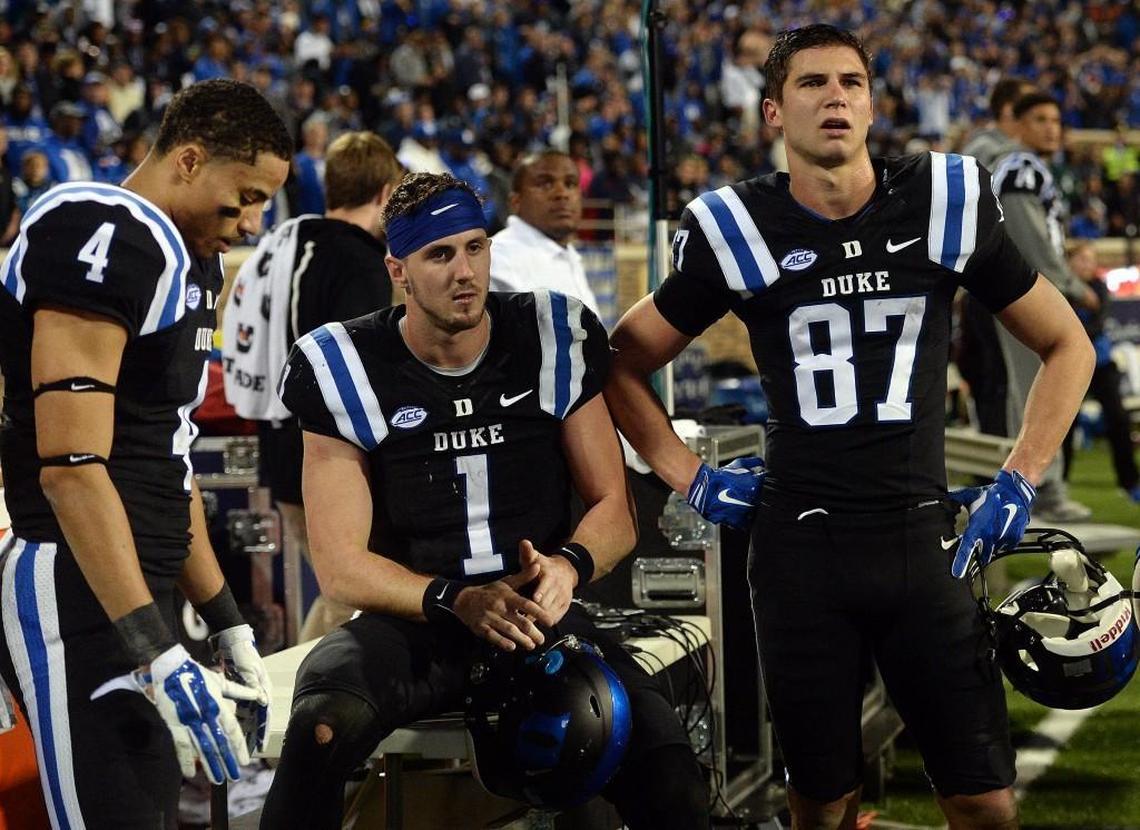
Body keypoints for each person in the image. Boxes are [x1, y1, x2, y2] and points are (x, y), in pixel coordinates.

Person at [603, 24, 1094, 830]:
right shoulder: (739, 227)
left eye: (851, 83)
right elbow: (621, 359)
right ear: (772, 109)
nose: (835, 96)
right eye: (811, 83)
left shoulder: (941, 202)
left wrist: (1022, 474)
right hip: (802, 555)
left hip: (924, 542)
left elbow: (1066, 341)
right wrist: (686, 475)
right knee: (821, 806)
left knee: (984, 802)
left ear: (871, 105)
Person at [258, 172, 708, 829]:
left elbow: (614, 506)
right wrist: (455, 598)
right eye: (440, 255)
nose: (464, 271)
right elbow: (339, 566)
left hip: (536, 614)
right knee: (322, 726)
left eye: (475, 248)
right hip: (417, 623)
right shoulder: (344, 363)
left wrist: (569, 567)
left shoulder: (550, 335)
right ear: (399, 269)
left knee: (664, 759)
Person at [0, 78, 292, 828]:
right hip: (71, 582)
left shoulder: (184, 257)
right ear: (189, 161)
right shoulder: (99, 227)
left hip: (131, 587)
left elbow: (170, 459)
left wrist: (224, 621)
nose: (254, 223)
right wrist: (151, 648)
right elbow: (70, 468)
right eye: (247, 196)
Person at [222, 130, 403, 642]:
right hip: (329, 457)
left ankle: (302, 698)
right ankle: (311, 703)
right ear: (386, 195)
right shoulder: (358, 260)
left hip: (277, 442)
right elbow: (355, 376)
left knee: (343, 595)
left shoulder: (292, 242)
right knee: (358, 594)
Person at [990, 91, 1099, 522]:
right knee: (1038, 386)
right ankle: (1043, 490)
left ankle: (1038, 488)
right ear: (1016, 124)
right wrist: (1070, 283)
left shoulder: (1025, 168)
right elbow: (1031, 244)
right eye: (1039, 119)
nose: (1051, 128)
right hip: (1027, 293)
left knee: (1028, 388)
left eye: (1056, 119)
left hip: (1016, 291)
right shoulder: (1021, 169)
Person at [958, 77, 1035, 436]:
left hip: (997, 278)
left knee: (1001, 377)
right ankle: (997, 468)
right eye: (1027, 111)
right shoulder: (991, 148)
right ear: (1008, 111)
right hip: (985, 282)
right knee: (998, 378)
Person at [1062, 242, 1140, 503]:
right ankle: (1057, 483)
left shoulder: (1099, 288)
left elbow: (1096, 324)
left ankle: (1130, 481)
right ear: (1069, 263)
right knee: (1063, 425)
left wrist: (1073, 335)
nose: (1086, 264)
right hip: (1068, 365)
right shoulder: (1060, 289)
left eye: (1090, 260)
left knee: (1118, 419)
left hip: (1100, 362)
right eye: (1081, 259)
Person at [490, 149, 600, 315]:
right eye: (545, 184)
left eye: (570, 184)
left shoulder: (567, 253)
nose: (562, 194)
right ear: (516, 201)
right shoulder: (498, 258)